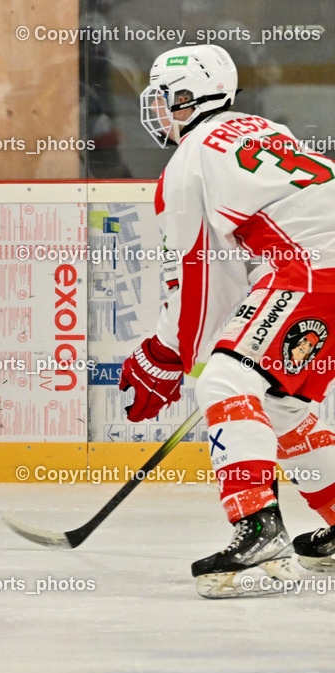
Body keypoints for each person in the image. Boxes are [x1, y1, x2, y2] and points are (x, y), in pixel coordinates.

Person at [119, 44, 335, 597]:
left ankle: (258, 528)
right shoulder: (261, 128)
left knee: (224, 379)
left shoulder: (190, 160)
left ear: (188, 99)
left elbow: (202, 282)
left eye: (165, 99)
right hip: (318, 266)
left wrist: (164, 358)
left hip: (315, 269)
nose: (160, 111)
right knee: (280, 402)